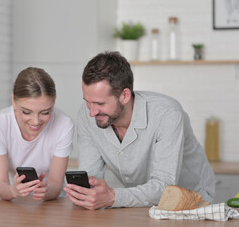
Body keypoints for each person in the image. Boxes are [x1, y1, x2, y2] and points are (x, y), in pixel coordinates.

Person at [64, 51, 215, 210]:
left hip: (192, 198)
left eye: (100, 104)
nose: (92, 112)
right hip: (141, 202)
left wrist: (113, 197)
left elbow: (164, 186)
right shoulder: (86, 115)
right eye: (88, 102)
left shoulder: (167, 114)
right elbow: (91, 175)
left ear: (125, 96)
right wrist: (85, 192)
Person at [0, 67, 74, 201]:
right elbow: (1, 184)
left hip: (49, 203)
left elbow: (56, 184)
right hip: (11, 200)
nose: (36, 121)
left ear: (54, 102)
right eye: (26, 112)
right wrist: (12, 190)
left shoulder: (64, 124)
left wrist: (46, 191)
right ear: (14, 101)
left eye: (45, 112)